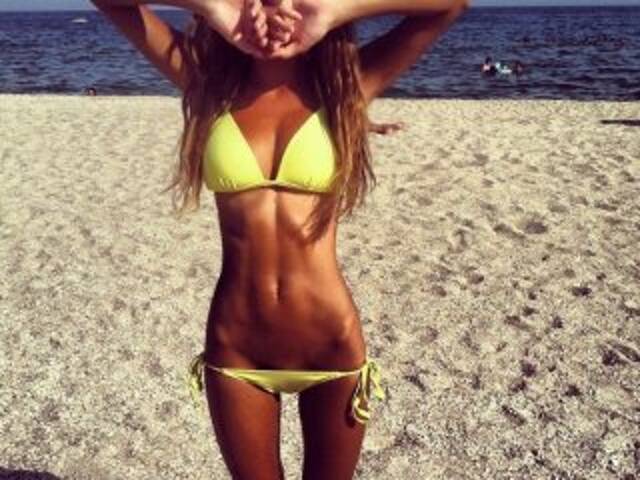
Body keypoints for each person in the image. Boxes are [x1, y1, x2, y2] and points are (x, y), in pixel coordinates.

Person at [91, 0, 469, 478]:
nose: (279, 11)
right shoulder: (205, 82)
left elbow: (449, 6)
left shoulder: (347, 86)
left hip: (331, 343)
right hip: (237, 345)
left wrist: (332, 13)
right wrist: (216, 10)